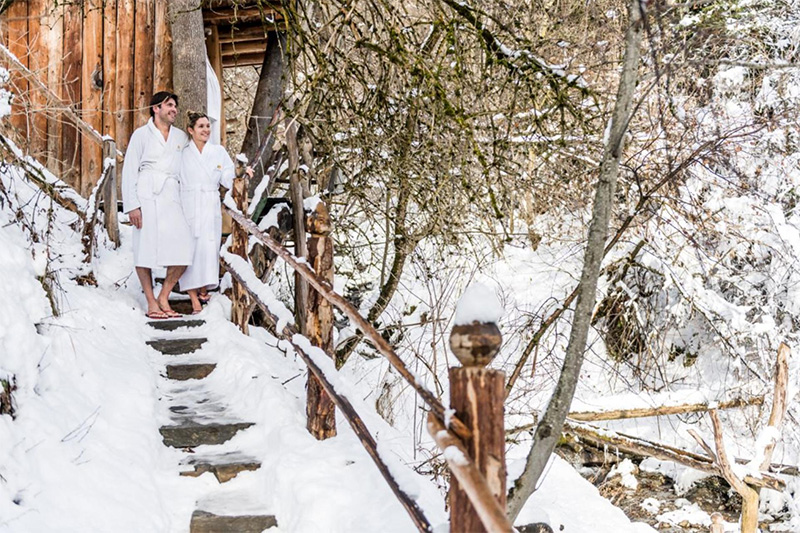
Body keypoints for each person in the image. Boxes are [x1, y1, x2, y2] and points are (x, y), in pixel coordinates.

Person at [122, 91, 194, 319]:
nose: (174, 109)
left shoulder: (182, 137)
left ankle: (164, 295)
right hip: (147, 194)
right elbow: (129, 170)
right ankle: (151, 302)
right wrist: (132, 205)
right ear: (156, 108)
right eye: (169, 105)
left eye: (175, 106)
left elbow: (197, 160)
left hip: (172, 195)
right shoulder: (141, 135)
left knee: (185, 249)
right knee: (145, 248)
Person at [178, 111, 252, 313]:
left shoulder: (218, 152)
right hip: (189, 203)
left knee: (208, 249)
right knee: (191, 250)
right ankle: (193, 297)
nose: (206, 130)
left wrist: (240, 172)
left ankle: (203, 288)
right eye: (201, 126)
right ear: (191, 130)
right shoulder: (183, 153)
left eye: (208, 126)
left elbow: (227, 176)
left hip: (210, 203)